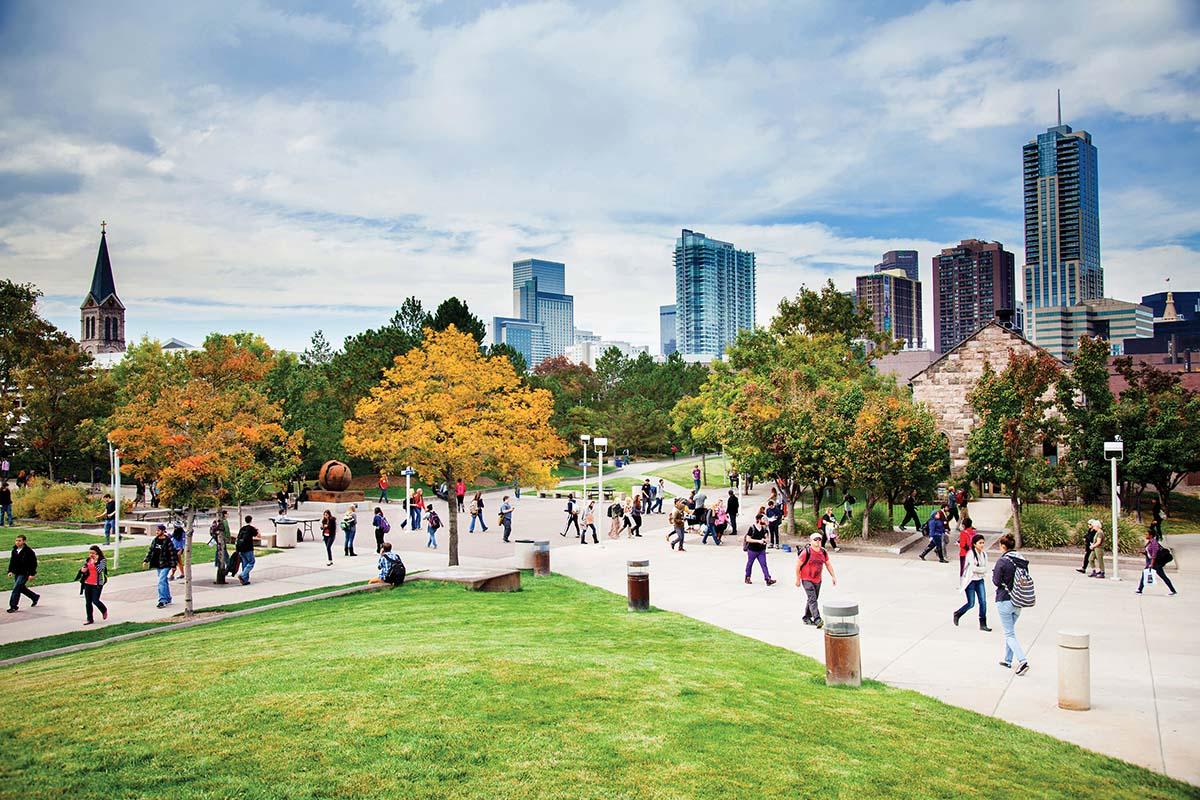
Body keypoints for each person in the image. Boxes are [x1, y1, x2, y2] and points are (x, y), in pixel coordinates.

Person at [992, 533, 1030, 676]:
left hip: (1004, 599)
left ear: (1003, 546)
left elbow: (996, 581)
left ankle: (1022, 660)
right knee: (1011, 632)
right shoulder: (1021, 559)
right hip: (1018, 600)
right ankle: (1008, 660)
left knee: (1009, 633)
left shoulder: (1003, 561)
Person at [796, 532, 836, 626]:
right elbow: (798, 566)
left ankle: (806, 617)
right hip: (806, 578)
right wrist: (798, 579)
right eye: (815, 539)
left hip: (817, 579)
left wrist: (833, 576)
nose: (818, 541)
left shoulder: (823, 552)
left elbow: (828, 564)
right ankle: (817, 619)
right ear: (811, 541)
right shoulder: (806, 552)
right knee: (813, 598)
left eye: (819, 539)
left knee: (812, 599)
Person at [953, 533, 991, 630]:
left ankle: (983, 623)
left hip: (979, 580)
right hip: (970, 581)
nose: (982, 545)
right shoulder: (970, 554)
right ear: (974, 544)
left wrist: (980, 569)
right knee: (971, 603)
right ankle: (958, 613)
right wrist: (980, 569)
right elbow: (973, 569)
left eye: (983, 543)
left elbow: (986, 568)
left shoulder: (984, 554)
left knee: (983, 602)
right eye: (980, 543)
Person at [143, 524, 176, 608]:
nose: (157, 532)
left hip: (166, 564)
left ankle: (162, 600)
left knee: (161, 581)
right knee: (164, 581)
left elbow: (172, 554)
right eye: (156, 530)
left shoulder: (168, 541)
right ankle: (168, 598)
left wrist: (173, 566)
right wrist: (146, 560)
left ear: (163, 531)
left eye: (158, 530)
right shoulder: (155, 540)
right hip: (157, 563)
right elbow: (151, 551)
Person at [1136, 530, 1177, 596]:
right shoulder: (1149, 542)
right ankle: (1173, 590)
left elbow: (1154, 555)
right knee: (1162, 576)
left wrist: (1151, 564)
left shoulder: (1154, 543)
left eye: (1147, 534)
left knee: (1147, 574)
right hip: (1153, 562)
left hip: (1155, 563)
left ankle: (1139, 590)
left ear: (1151, 535)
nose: (1145, 535)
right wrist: (1142, 552)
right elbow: (1149, 552)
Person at [6, 534, 40, 612]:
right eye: (16, 540)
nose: (17, 542)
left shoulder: (28, 551)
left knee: (16, 588)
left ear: (24, 541)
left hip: (25, 573)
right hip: (17, 572)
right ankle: (35, 597)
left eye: (19, 541)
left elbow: (33, 563)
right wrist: (10, 571)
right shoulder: (14, 550)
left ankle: (13, 606)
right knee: (21, 588)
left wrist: (32, 574)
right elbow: (12, 561)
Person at [77, 545, 108, 625]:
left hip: (97, 584)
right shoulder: (88, 560)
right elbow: (84, 568)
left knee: (95, 600)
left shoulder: (102, 560)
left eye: (93, 553)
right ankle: (89, 619)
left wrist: (96, 562)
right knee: (88, 602)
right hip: (88, 583)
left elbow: (100, 570)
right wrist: (82, 570)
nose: (91, 555)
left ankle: (104, 610)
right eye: (90, 553)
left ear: (97, 553)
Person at [744, 514, 775, 585]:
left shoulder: (764, 529)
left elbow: (767, 538)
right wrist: (758, 541)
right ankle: (747, 577)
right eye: (763, 519)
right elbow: (748, 539)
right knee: (750, 564)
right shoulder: (752, 528)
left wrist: (765, 540)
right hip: (752, 550)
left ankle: (768, 579)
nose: (764, 520)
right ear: (759, 520)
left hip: (761, 550)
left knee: (764, 564)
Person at [235, 516, 258, 585]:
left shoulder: (242, 529)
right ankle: (242, 575)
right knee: (251, 562)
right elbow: (258, 535)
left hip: (241, 549)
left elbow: (238, 538)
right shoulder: (251, 528)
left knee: (245, 564)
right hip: (248, 548)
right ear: (251, 520)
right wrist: (257, 530)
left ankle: (245, 580)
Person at [213, 510, 231, 583]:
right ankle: (227, 566)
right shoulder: (225, 521)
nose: (228, 515)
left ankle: (218, 563)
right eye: (227, 514)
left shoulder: (217, 521)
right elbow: (227, 530)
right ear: (224, 514)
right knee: (224, 553)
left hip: (218, 539)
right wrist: (228, 538)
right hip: (222, 539)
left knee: (219, 551)